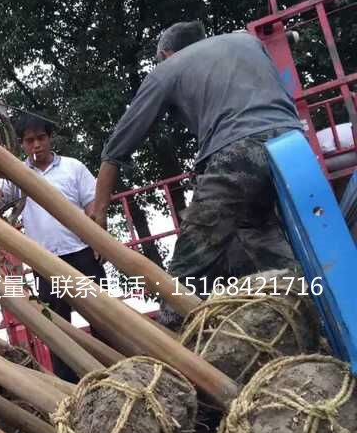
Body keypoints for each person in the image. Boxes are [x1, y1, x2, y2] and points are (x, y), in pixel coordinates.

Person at [89, 21, 303, 324]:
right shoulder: (247, 43)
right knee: (258, 231)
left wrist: (99, 208)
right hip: (294, 142)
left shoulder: (168, 68)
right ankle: (309, 309)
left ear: (166, 54)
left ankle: (173, 340)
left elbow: (118, 146)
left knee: (191, 262)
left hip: (238, 151)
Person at [0, 112, 105, 382]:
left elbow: (92, 206)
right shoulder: (17, 174)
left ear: (50, 138)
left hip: (82, 254)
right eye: (29, 141)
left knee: (104, 320)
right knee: (58, 331)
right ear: (22, 145)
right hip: (45, 264)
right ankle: (70, 387)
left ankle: (117, 369)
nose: (36, 145)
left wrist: (100, 241)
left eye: (40, 138)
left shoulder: (73, 167)